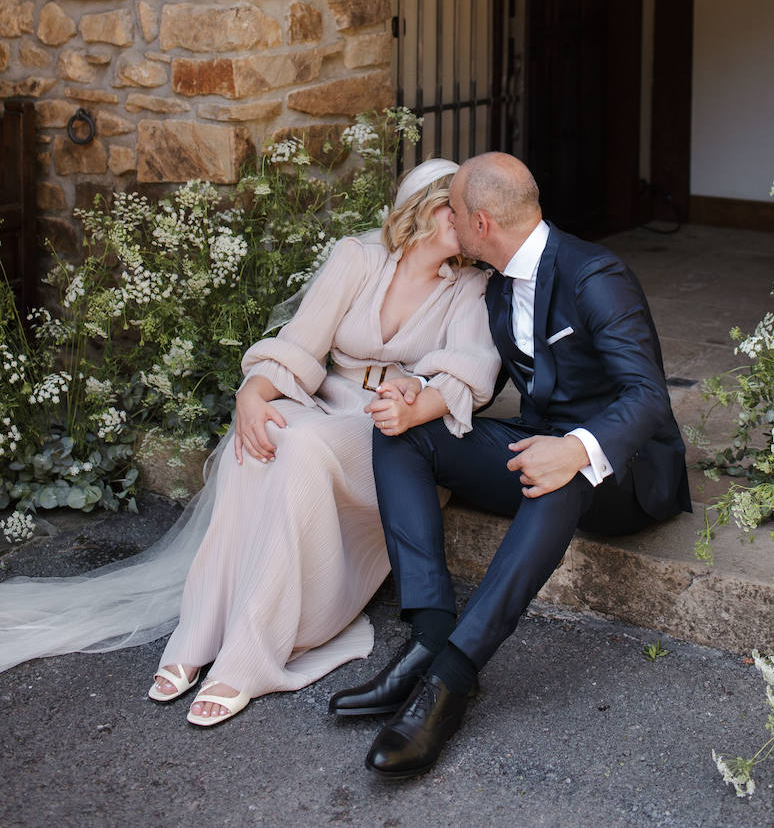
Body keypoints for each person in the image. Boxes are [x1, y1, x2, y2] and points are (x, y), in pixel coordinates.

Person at [0, 160, 500, 727]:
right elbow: (301, 345)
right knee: (263, 433)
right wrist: (253, 395)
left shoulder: (472, 287)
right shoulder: (356, 259)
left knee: (301, 446)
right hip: (329, 406)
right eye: (452, 206)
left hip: (394, 436)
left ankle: (251, 654)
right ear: (424, 209)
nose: (465, 219)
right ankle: (203, 629)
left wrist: (416, 401)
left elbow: (467, 375)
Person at [330, 151, 691, 778]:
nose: (449, 223)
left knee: (557, 473)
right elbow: (485, 375)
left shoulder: (594, 274)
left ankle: (451, 680)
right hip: (538, 442)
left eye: (453, 212)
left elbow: (648, 399)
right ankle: (431, 635)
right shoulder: (498, 283)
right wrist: (418, 392)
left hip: (623, 475)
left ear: (481, 223)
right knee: (402, 433)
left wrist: (576, 448)